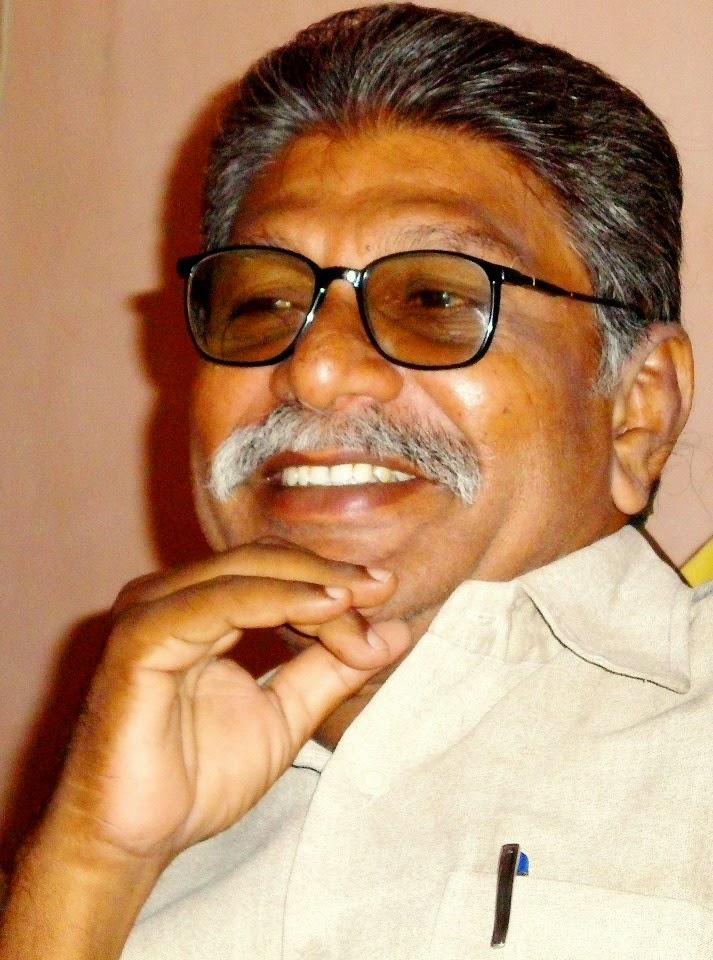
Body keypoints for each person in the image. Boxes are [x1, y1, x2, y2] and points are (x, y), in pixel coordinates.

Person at [1, 4, 711, 957]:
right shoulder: (125, 828)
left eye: (435, 297)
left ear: (638, 409)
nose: (316, 370)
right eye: (263, 303)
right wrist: (91, 864)